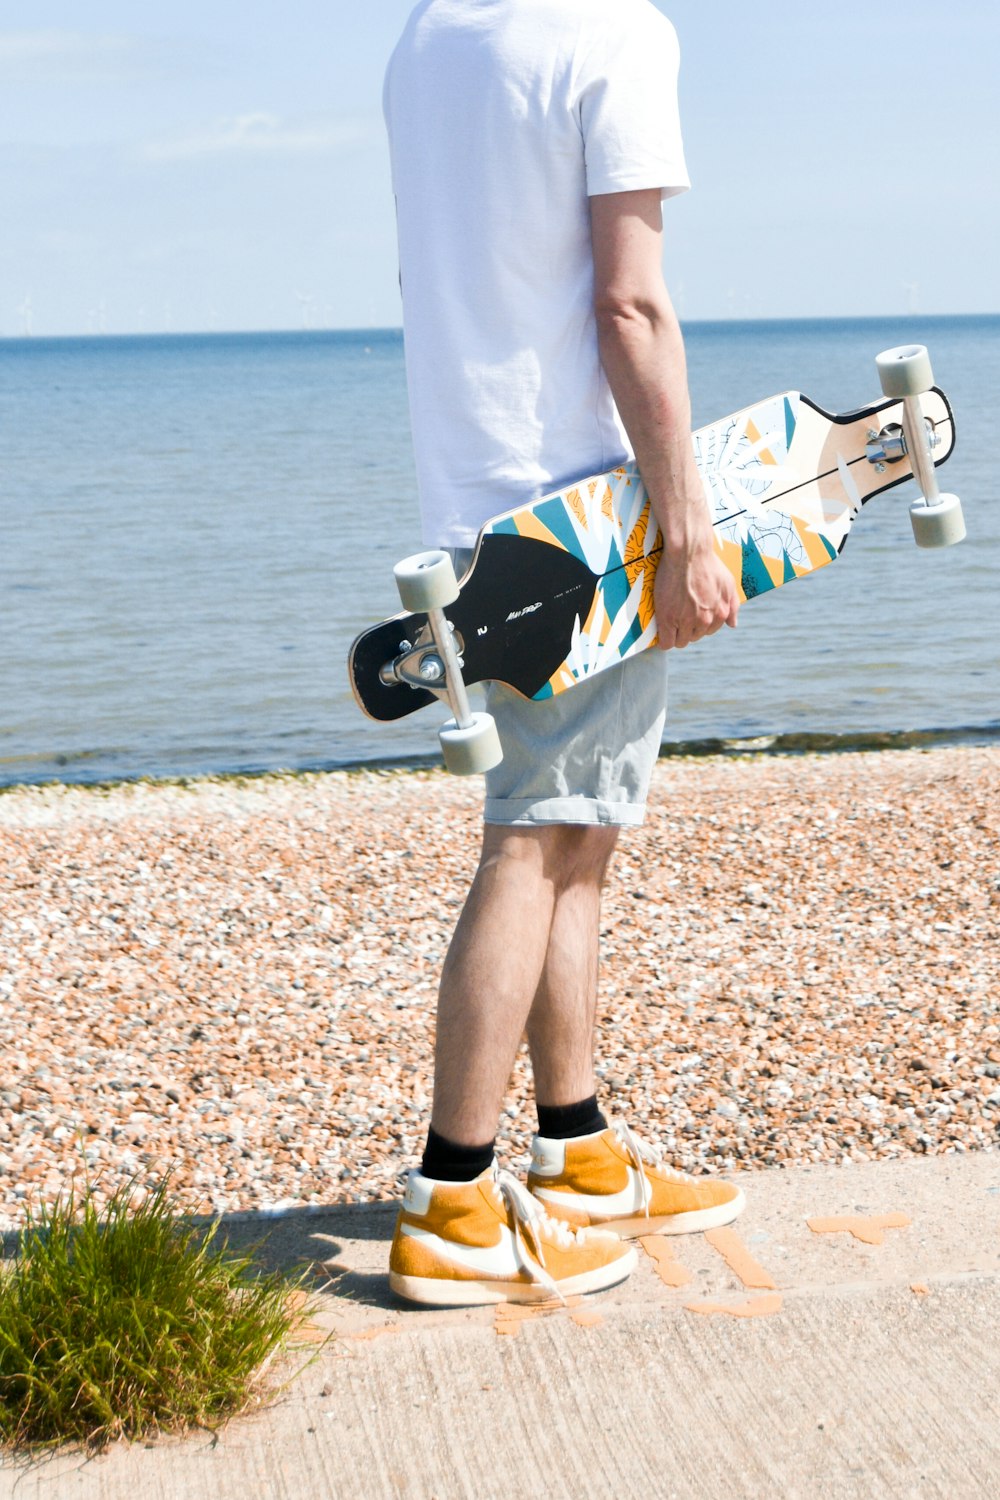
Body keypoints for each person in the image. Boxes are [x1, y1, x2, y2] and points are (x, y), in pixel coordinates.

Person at [382, 0, 744, 1308]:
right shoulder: (617, 35)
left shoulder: (430, 35)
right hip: (578, 514)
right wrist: (692, 533)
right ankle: (452, 1197)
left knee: (577, 833)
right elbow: (630, 301)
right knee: (535, 839)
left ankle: (577, 1149)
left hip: (471, 501)